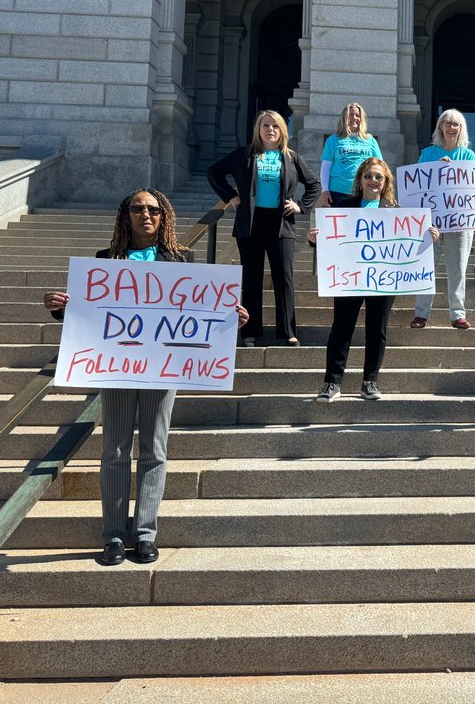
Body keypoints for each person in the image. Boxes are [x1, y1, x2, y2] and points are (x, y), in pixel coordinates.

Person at [43, 189, 249, 566]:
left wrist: (228, 318)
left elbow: (197, 313)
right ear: (126, 215)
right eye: (137, 208)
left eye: (153, 209)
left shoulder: (181, 259)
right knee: (115, 450)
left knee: (155, 449)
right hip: (118, 367)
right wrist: (61, 308)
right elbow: (88, 312)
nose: (146, 215)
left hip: (162, 367)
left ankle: (146, 534)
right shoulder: (106, 261)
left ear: (164, 216)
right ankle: (114, 536)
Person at [311, 157, 438, 402]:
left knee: (377, 329)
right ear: (360, 180)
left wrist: (429, 236)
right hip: (350, 277)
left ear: (386, 182)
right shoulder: (344, 207)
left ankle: (370, 382)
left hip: (383, 279)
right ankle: (332, 383)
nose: (373, 181)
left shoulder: (395, 212)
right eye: (368, 176)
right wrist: (315, 239)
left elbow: (409, 245)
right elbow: (330, 240)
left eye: (379, 177)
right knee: (341, 328)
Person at [207, 109, 320, 347]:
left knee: (284, 278)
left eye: (275, 126)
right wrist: (231, 197)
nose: (270, 130)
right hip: (251, 222)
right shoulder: (244, 155)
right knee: (251, 277)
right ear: (258, 129)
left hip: (281, 223)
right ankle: (250, 331)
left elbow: (314, 185)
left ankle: (288, 331)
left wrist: (300, 206)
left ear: (282, 131)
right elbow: (214, 172)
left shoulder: (291, 157)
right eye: (266, 125)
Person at [411, 108, 475, 330]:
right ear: (440, 127)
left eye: (455, 124)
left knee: (458, 268)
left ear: (461, 129)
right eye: (447, 123)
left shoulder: (468, 156)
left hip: (460, 223)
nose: (451, 127)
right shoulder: (427, 153)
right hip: (431, 222)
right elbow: (417, 187)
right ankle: (421, 314)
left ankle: (458, 314)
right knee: (426, 267)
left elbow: (472, 189)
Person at [320, 101, 382, 207]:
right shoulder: (333, 140)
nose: (354, 118)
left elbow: (380, 167)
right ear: (344, 118)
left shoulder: (370, 140)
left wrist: (381, 190)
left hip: (365, 192)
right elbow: (325, 167)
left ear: (361, 119)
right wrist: (325, 190)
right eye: (350, 115)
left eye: (357, 115)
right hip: (338, 192)